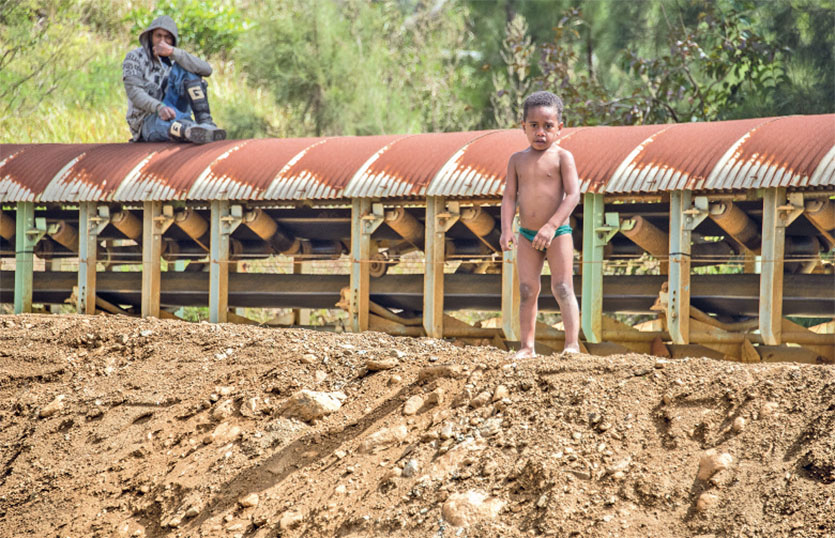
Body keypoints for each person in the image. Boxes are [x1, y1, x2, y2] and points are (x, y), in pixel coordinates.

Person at [500, 91, 581, 358]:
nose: (540, 132)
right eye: (534, 125)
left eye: (548, 126)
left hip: (557, 232)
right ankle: (527, 347)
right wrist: (506, 229)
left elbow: (573, 195)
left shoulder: (563, 157)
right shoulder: (516, 160)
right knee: (526, 289)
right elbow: (509, 196)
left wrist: (551, 226)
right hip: (527, 234)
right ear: (523, 126)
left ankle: (571, 344)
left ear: (560, 127)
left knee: (562, 287)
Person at [122, 15, 226, 145]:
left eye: (167, 37)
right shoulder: (134, 58)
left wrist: (173, 52)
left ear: (173, 41)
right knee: (164, 125)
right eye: (158, 36)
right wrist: (159, 108)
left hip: (177, 113)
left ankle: (205, 123)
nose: (162, 41)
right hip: (148, 120)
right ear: (150, 37)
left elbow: (207, 70)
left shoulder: (176, 57)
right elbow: (134, 92)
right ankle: (189, 131)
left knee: (188, 70)